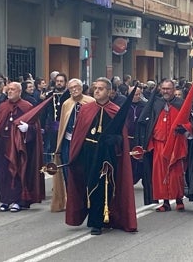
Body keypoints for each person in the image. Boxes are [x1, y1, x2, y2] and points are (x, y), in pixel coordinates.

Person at [66, 77, 137, 235]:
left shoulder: (116, 111)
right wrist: (76, 153)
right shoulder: (86, 109)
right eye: (95, 88)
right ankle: (93, 216)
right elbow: (79, 134)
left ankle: (98, 221)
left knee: (103, 185)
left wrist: (115, 140)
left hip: (106, 155)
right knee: (89, 185)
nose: (96, 91)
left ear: (110, 92)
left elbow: (122, 137)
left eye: (101, 88)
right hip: (89, 153)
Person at [0, 82, 45, 211]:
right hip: (2, 146)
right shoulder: (3, 106)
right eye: (8, 89)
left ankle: (18, 200)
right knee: (0, 173)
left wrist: (28, 129)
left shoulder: (27, 106)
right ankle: (5, 200)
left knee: (17, 173)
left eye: (13, 90)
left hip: (18, 147)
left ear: (19, 92)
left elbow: (35, 127)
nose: (9, 92)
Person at [138, 79, 192, 212]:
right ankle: (165, 202)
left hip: (176, 144)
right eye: (163, 88)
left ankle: (179, 199)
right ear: (160, 89)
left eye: (168, 88)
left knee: (176, 174)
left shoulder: (181, 104)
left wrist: (184, 128)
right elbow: (148, 122)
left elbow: (190, 122)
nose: (166, 91)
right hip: (159, 144)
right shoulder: (156, 104)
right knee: (160, 174)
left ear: (173, 89)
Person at [50, 78, 95, 212]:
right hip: (68, 143)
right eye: (71, 88)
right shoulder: (66, 104)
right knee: (68, 172)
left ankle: (87, 200)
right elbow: (63, 126)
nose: (74, 90)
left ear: (82, 88)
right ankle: (73, 201)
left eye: (76, 87)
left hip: (85, 143)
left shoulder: (91, 102)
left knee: (85, 171)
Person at [43, 73, 69, 163]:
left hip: (66, 127)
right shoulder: (49, 95)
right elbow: (44, 111)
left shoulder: (69, 95)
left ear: (65, 83)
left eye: (61, 81)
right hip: (53, 126)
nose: (59, 83)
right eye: (57, 81)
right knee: (53, 148)